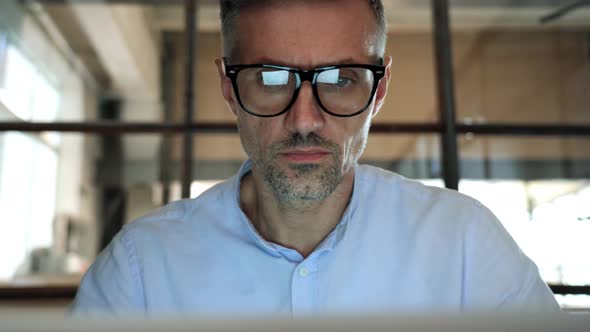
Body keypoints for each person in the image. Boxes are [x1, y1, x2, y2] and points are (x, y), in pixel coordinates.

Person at [71, 0, 559, 316]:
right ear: (227, 85)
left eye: (340, 79)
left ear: (380, 87)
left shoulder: (465, 248)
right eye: (269, 77)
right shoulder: (141, 271)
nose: (304, 119)